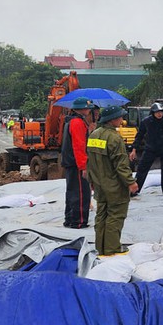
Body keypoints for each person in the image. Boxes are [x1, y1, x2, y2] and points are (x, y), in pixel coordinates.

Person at [87, 105, 139, 256]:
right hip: (115, 186)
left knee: (101, 215)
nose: (122, 120)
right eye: (120, 117)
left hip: (99, 184)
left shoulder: (93, 135)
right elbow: (121, 164)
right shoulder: (115, 138)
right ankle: (111, 249)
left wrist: (91, 180)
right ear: (113, 119)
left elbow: (90, 161)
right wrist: (130, 182)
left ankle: (101, 247)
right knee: (115, 217)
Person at [129, 102, 163, 197]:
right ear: (153, 112)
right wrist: (134, 150)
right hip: (150, 149)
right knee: (141, 169)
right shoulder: (146, 122)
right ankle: (135, 190)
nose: (159, 114)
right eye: (157, 112)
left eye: (161, 112)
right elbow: (139, 136)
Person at [60, 96, 95, 229]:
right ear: (82, 109)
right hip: (76, 164)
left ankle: (70, 219)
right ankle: (79, 221)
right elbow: (79, 146)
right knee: (81, 194)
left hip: (71, 163)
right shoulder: (78, 123)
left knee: (72, 193)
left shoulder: (71, 121)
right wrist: (84, 166)